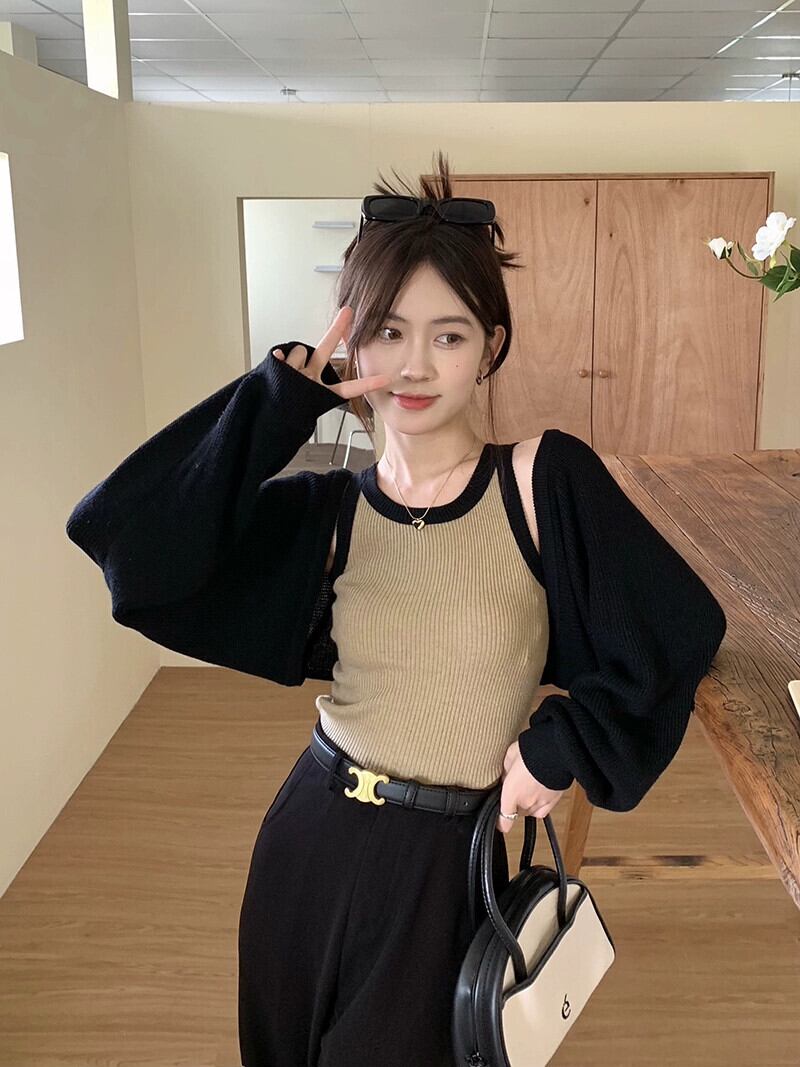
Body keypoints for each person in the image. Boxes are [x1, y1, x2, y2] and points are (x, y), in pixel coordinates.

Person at [65, 149, 727, 1066]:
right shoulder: (330, 513)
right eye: (386, 330)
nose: (414, 364)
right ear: (354, 343)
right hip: (309, 836)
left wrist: (564, 744)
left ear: (491, 346)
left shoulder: (541, 481)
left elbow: (681, 628)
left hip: (446, 866)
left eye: (449, 336)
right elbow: (129, 553)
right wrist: (276, 402)